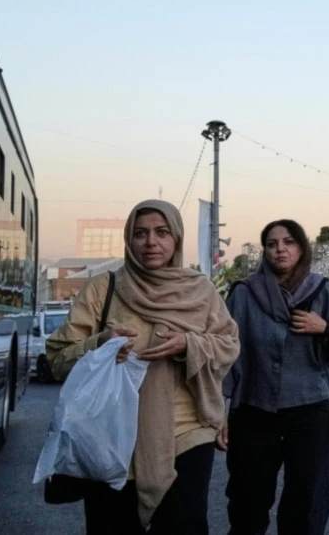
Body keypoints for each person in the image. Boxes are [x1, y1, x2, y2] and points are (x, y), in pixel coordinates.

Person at [45, 199, 241, 534]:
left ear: (176, 239)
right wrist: (99, 345)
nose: (151, 242)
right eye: (140, 233)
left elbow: (228, 344)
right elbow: (58, 358)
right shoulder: (103, 290)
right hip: (113, 439)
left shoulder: (200, 290)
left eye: (162, 232)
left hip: (187, 432)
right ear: (129, 240)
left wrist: (189, 344)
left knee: (184, 526)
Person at [219, 219, 329, 535]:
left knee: (306, 500)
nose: (280, 249)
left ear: (301, 247)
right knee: (247, 501)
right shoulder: (243, 293)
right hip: (253, 411)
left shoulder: (319, 289)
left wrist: (324, 329)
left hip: (309, 410)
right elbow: (227, 356)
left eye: (289, 242)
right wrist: (220, 411)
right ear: (264, 251)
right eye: (272, 243)